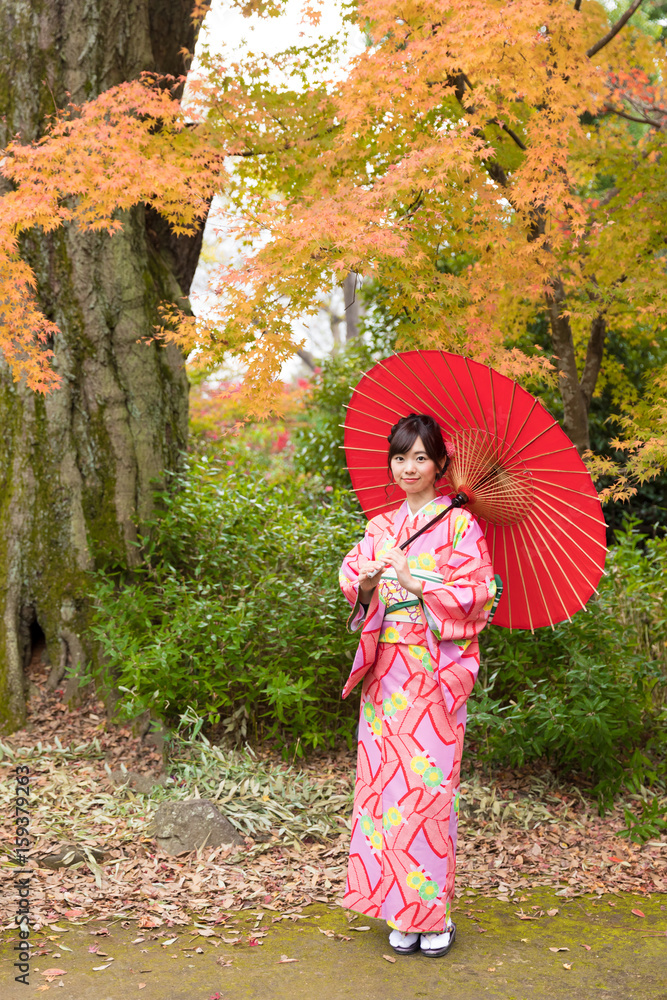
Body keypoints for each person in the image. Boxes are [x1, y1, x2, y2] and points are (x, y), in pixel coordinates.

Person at [339, 413, 496, 957]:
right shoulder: (381, 527)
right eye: (401, 456)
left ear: (440, 465)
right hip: (386, 679)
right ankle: (397, 911)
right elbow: (355, 589)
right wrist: (365, 587)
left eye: (421, 458)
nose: (409, 467)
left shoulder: (460, 527)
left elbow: (479, 594)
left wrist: (416, 581)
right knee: (383, 797)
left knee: (427, 796)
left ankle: (433, 915)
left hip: (432, 677)